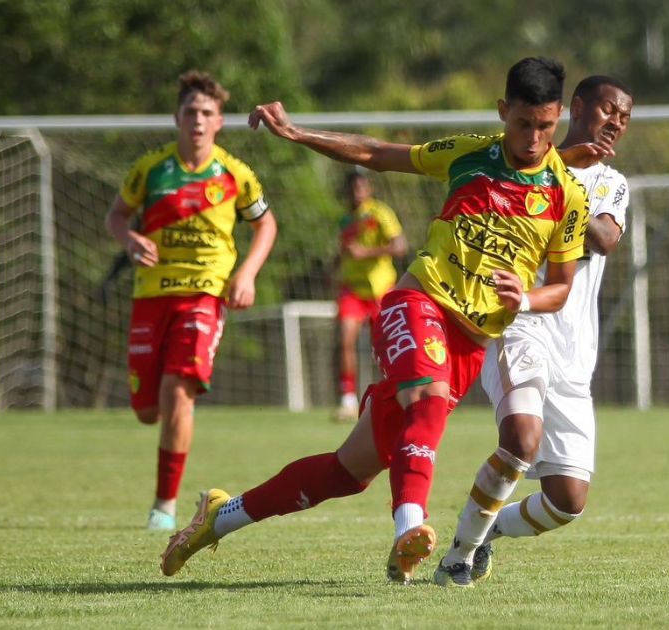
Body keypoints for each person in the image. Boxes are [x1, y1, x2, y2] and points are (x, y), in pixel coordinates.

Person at [160, 57, 591, 584]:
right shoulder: (473, 155)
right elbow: (375, 154)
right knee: (427, 400)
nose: (533, 137)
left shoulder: (566, 193)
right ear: (504, 112)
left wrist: (524, 297)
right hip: (417, 303)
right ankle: (408, 531)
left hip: (470, 345)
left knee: (348, 472)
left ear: (558, 117)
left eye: (545, 126)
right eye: (523, 123)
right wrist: (295, 133)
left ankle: (218, 518)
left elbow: (562, 288)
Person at [434, 75, 634, 587]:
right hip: (521, 325)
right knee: (522, 439)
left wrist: (564, 177)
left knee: (568, 502)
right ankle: (458, 556)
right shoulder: (521, 167)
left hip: (573, 351)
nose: (616, 123)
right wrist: (555, 165)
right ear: (577, 107)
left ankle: (486, 531)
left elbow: (606, 238)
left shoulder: (611, 183)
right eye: (609, 110)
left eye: (625, 118)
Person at [106, 70, 278, 531]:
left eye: (207, 113)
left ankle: (164, 506)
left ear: (220, 121)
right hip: (151, 294)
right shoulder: (151, 170)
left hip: (205, 293)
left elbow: (266, 225)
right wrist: (129, 241)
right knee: (147, 410)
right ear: (176, 118)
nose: (198, 120)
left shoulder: (235, 175)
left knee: (178, 390)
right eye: (190, 112)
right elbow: (117, 216)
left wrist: (247, 274)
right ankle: (168, 423)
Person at [333, 171, 408, 422]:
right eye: (353, 188)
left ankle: (393, 395)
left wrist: (366, 253)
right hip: (352, 289)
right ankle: (347, 400)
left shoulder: (380, 213)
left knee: (385, 349)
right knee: (345, 338)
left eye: (361, 187)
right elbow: (343, 253)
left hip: (380, 289)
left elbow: (400, 246)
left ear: (369, 188)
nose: (358, 192)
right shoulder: (345, 220)